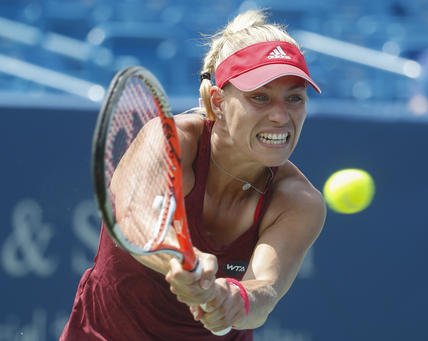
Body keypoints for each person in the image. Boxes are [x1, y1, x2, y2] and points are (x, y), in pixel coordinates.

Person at [60, 9, 326, 341]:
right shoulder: (169, 141)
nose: (280, 116)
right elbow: (134, 216)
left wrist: (232, 301)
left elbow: (264, 292)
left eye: (294, 99)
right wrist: (182, 260)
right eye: (259, 97)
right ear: (217, 102)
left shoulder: (299, 202)